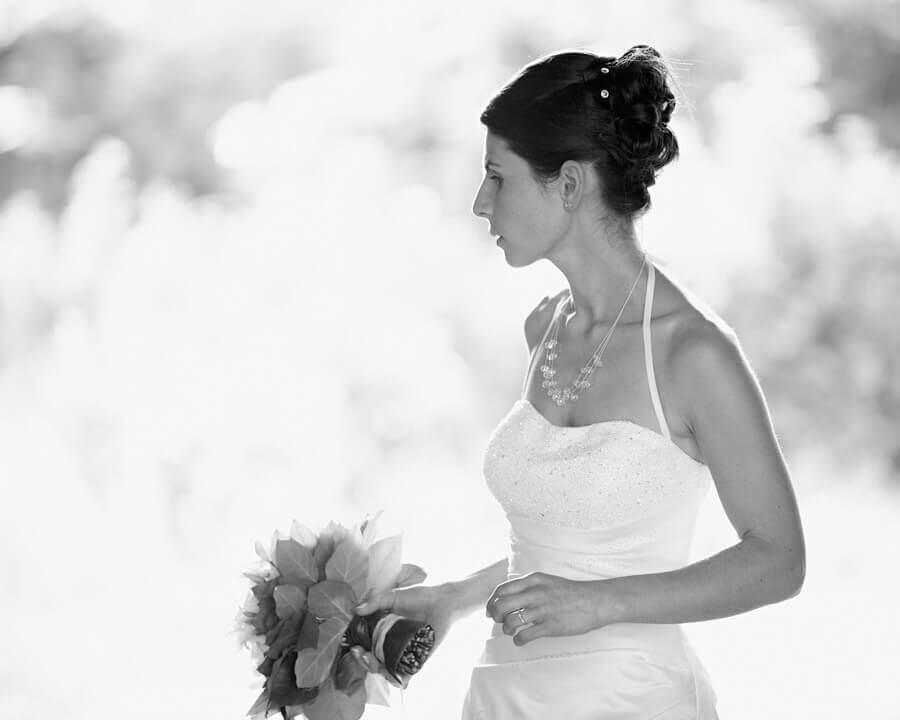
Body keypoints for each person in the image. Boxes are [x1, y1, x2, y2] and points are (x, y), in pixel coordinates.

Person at [351, 45, 805, 719]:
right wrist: (455, 598)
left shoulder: (693, 353)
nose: (480, 203)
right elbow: (566, 544)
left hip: (631, 700)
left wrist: (605, 603)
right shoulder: (546, 330)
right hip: (505, 692)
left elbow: (779, 559)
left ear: (568, 185)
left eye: (497, 177)